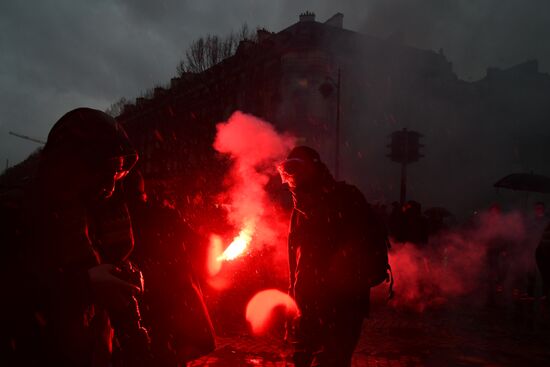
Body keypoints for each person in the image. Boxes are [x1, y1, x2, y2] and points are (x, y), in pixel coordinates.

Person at [0, 108, 144, 366]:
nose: (110, 187)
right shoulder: (13, 213)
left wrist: (121, 279)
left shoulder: (92, 218)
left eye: (117, 174)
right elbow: (12, 302)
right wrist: (84, 286)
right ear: (72, 164)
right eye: (105, 170)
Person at [278, 146, 388, 367]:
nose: (291, 176)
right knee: (305, 359)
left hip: (342, 303)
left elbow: (351, 249)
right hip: (309, 305)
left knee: (332, 360)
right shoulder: (300, 210)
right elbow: (297, 261)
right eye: (288, 170)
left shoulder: (344, 198)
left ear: (313, 168)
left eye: (297, 168)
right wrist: (294, 301)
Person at [121, 169, 215, 366]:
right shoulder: (164, 216)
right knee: (169, 353)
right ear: (143, 191)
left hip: (138, 299)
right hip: (171, 299)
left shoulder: (120, 220)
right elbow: (198, 243)